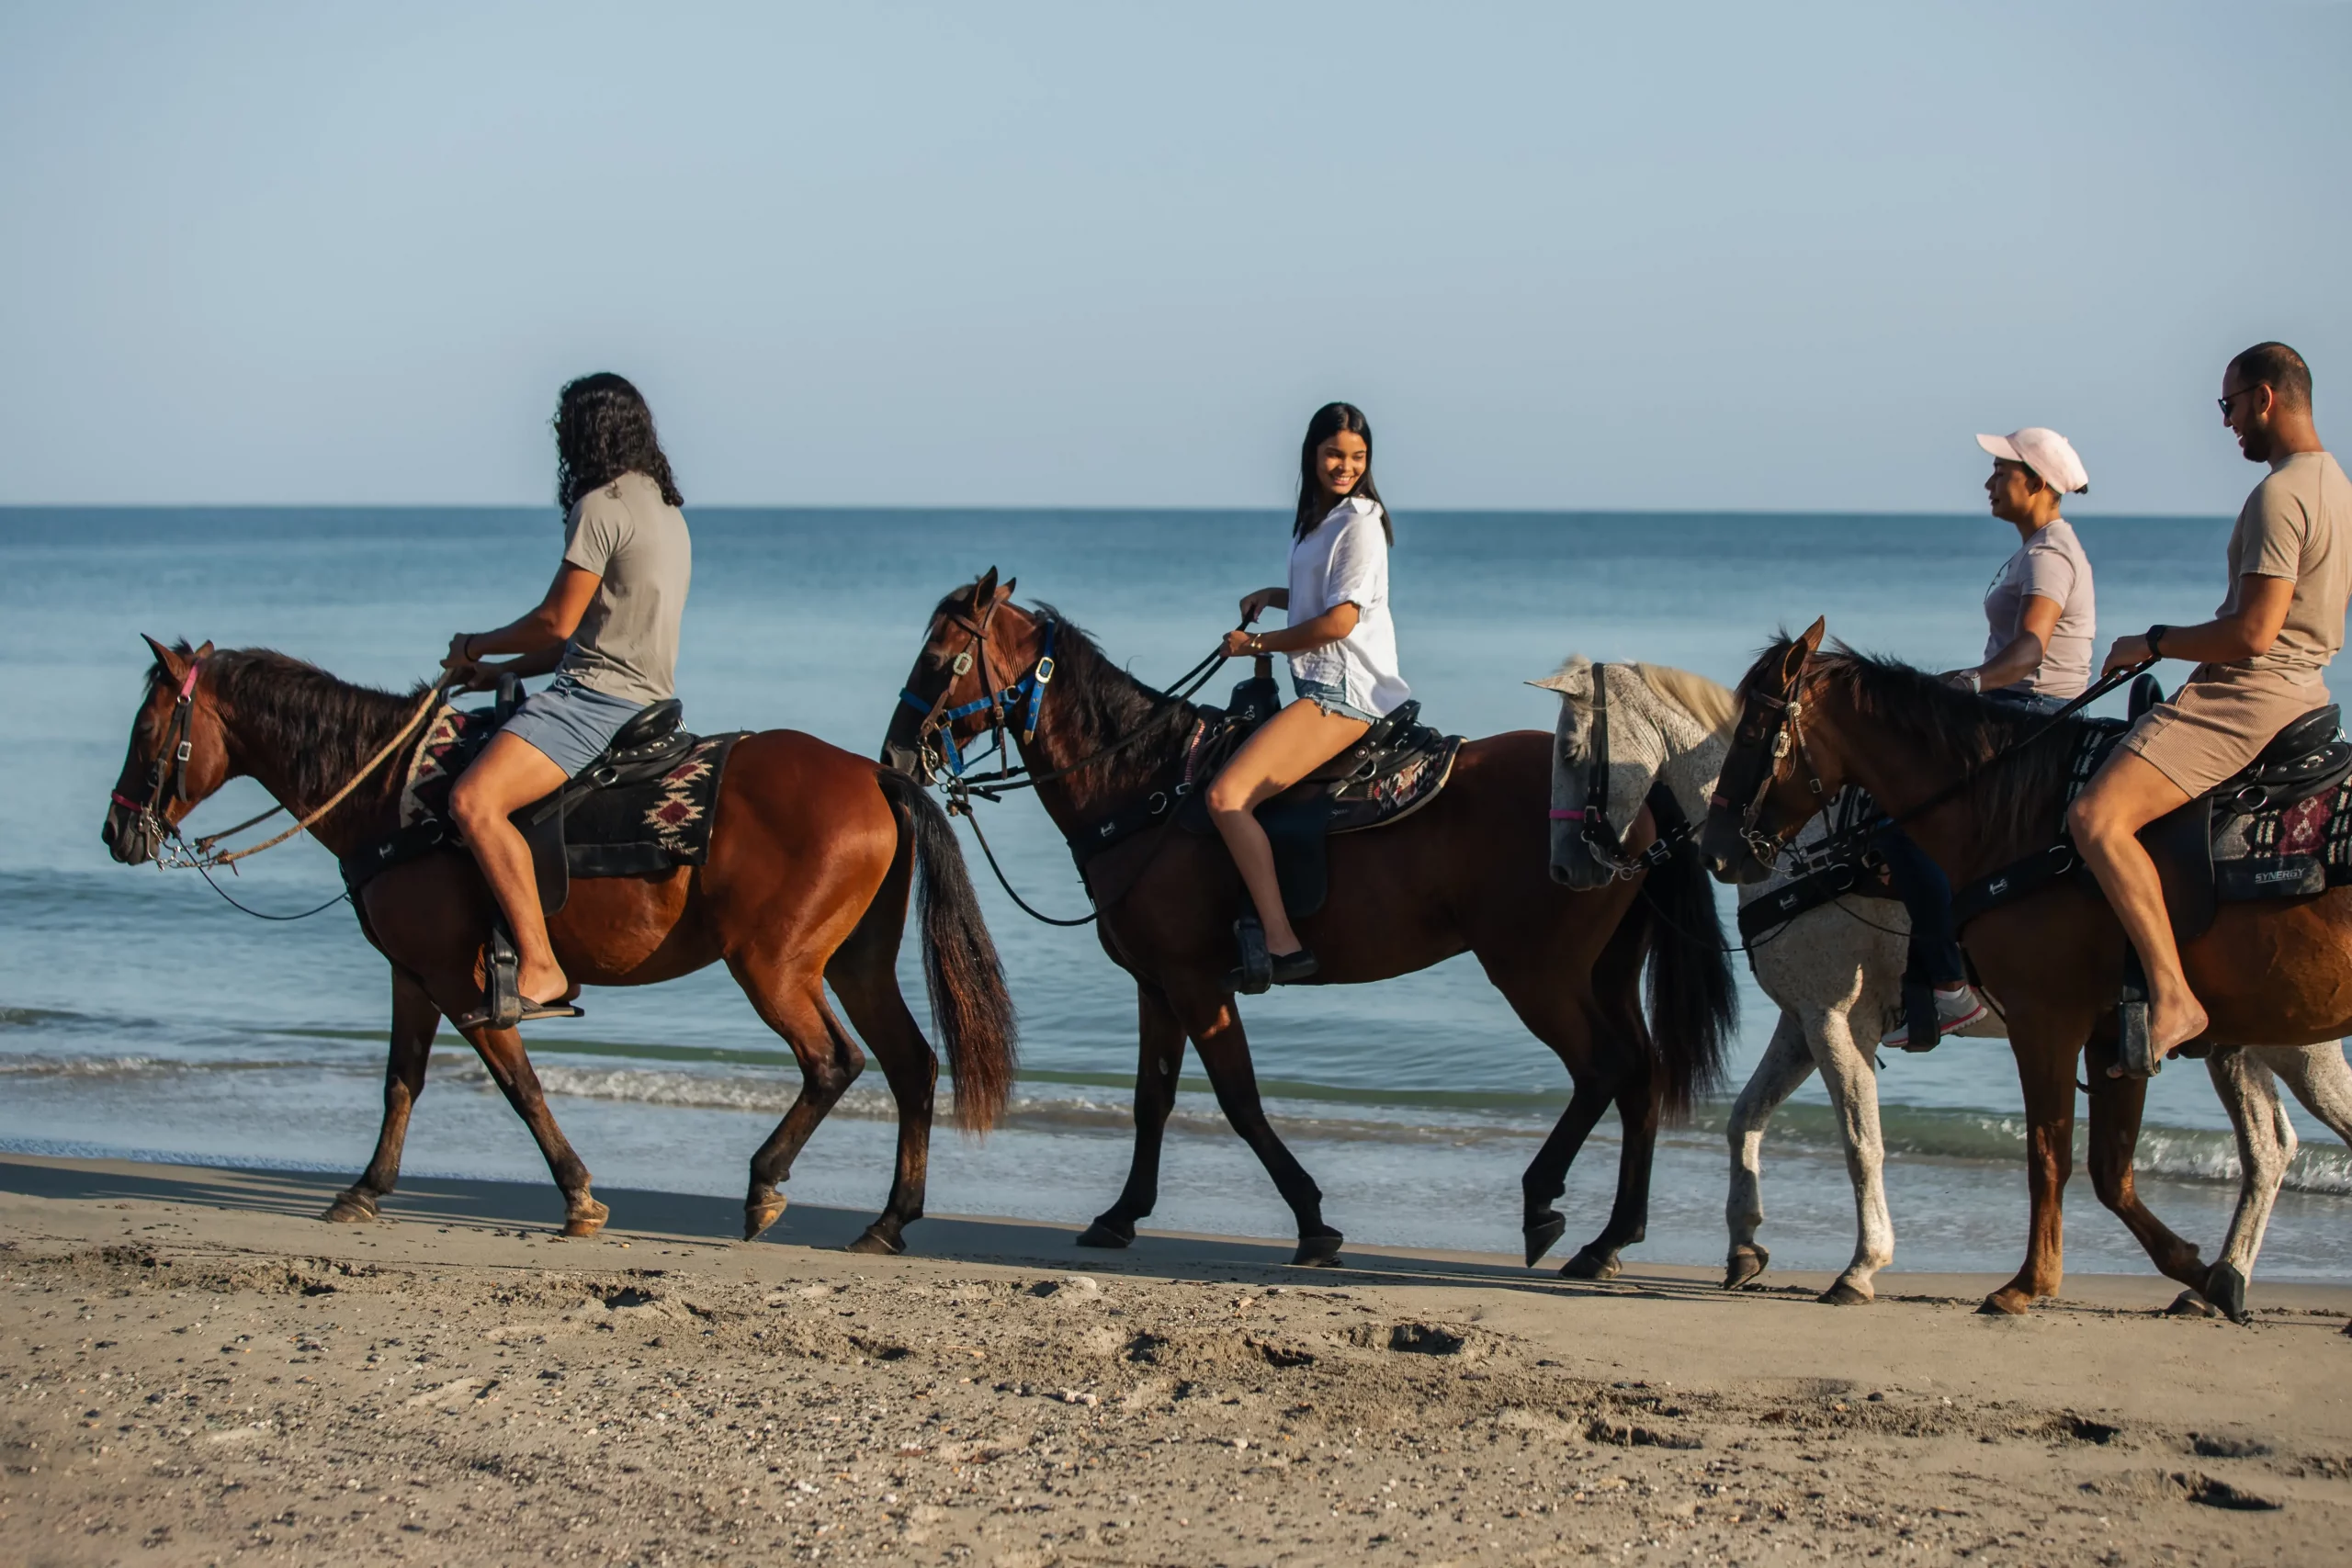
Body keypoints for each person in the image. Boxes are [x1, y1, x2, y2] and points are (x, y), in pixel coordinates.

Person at [2074, 342, 2349, 1073]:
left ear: (2265, 397)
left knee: (2094, 817)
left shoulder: (2280, 495)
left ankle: (2171, 994)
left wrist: (2156, 640)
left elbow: (2254, 632)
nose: (2226, 424)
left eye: (2228, 406)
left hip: (2248, 699)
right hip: (2310, 689)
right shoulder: (2337, 486)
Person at [438, 373, 693, 1021]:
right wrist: (495, 670)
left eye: (564, 430)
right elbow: (576, 637)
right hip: (647, 697)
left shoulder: (599, 506)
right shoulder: (664, 508)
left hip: (594, 702)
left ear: (587, 432)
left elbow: (555, 621)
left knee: (472, 800)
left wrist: (474, 645)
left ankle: (543, 964)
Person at [1880, 427, 2099, 1048]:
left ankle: (1949, 986)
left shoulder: (2050, 553)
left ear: (2035, 483)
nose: (1988, 482)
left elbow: (2030, 648)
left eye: (2000, 471)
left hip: (2027, 713)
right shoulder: (2037, 548)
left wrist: (1966, 684)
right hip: (2014, 704)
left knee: (1900, 820)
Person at [1207, 401, 1411, 991]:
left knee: (1226, 798)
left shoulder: (1360, 522)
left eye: (1357, 457)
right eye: (1334, 454)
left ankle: (1281, 941)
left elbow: (1340, 622)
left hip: (1346, 692)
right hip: (1320, 682)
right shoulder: (1318, 519)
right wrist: (1275, 594)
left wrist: (1256, 645)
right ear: (1312, 455)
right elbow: (1320, 598)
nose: (1344, 466)